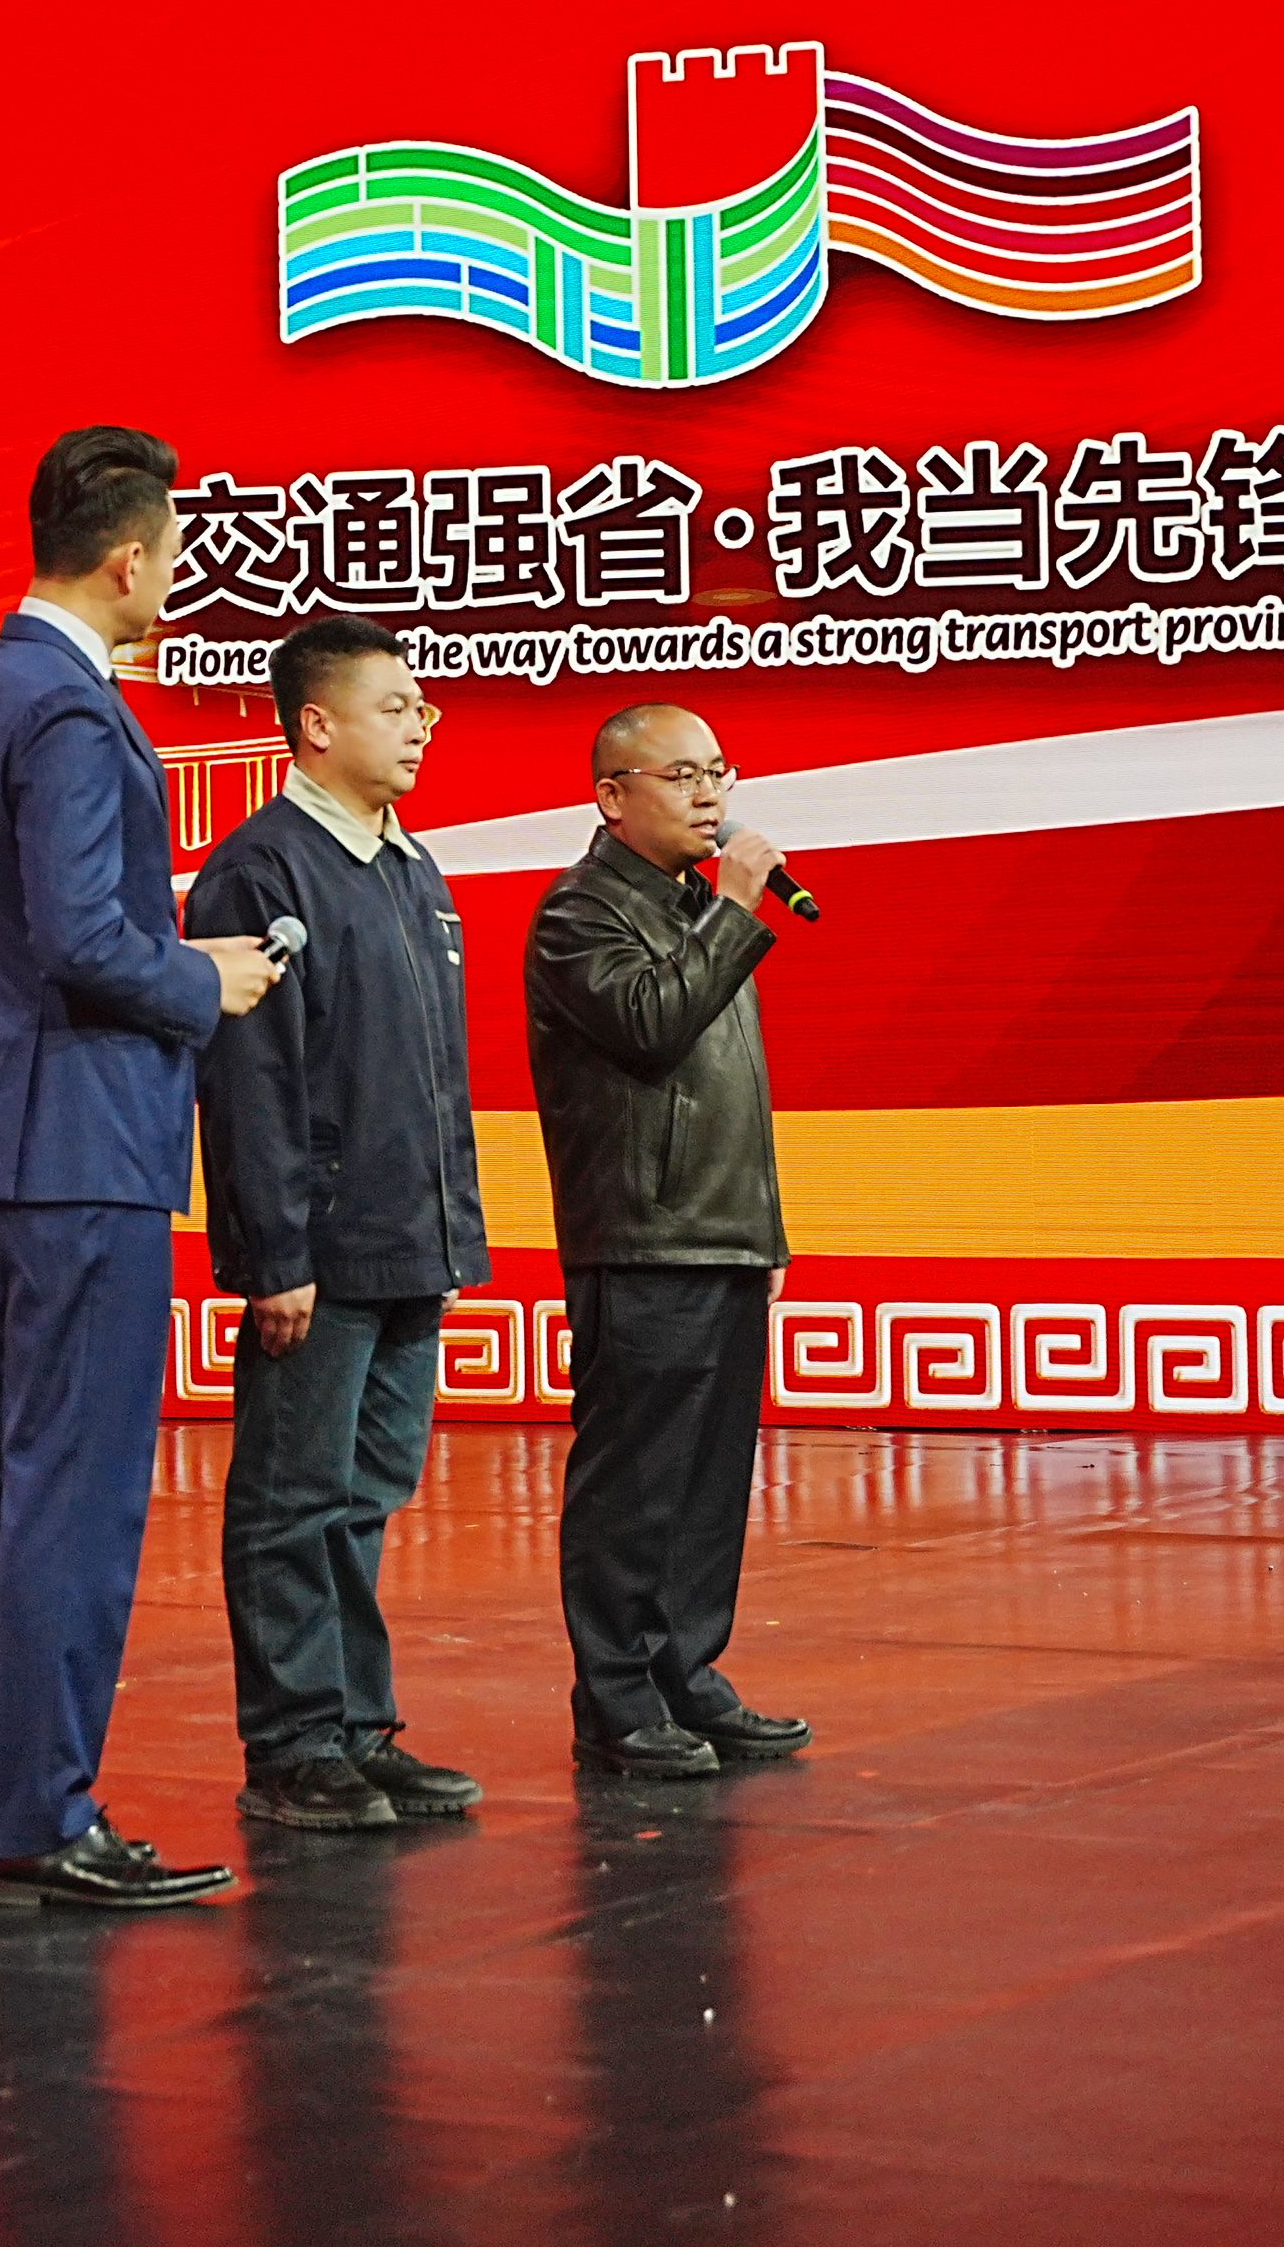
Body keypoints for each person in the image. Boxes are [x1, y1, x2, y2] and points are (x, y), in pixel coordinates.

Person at [0, 425, 282, 1909]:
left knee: (2, 1490)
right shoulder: (70, 707)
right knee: (73, 1490)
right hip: (85, 1142)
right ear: (129, 560)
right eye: (175, 550)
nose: (179, 576)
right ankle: (43, 1817)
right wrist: (206, 980)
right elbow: (79, 934)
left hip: (10, 1127)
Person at [186, 615, 491, 1833]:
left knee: (366, 1496)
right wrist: (275, 1256)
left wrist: (452, 1236)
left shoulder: (413, 870)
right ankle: (293, 1745)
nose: (422, 726)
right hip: (320, 1253)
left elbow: (433, 1080)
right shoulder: (260, 872)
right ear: (316, 725)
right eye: (395, 706)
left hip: (411, 1243)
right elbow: (249, 1080)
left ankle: (361, 1729)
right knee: (292, 1500)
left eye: (423, 708)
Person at [521, 701, 816, 1781]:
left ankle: (689, 1673)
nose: (710, 795)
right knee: (635, 1484)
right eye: (682, 775)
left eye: (719, 772)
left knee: (706, 1484)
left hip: (720, 1234)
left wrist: (763, 1229)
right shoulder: (579, 913)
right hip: (643, 1239)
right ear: (612, 796)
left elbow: (732, 1093)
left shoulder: (699, 909)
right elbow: (650, 1025)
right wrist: (734, 909)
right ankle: (616, 1697)